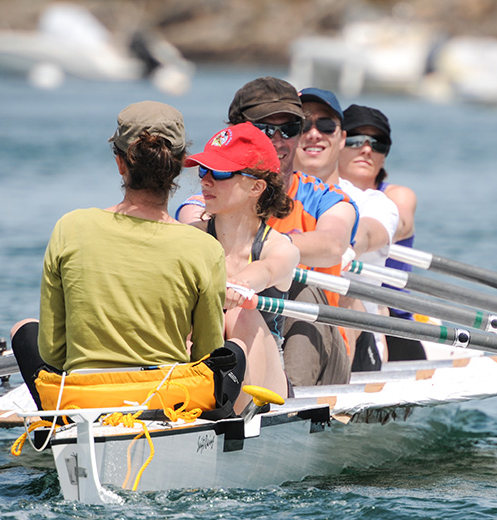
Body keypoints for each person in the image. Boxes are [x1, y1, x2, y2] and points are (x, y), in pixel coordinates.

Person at [11, 101, 245, 415]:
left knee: (24, 329)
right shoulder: (204, 248)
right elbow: (206, 356)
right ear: (180, 165)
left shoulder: (70, 227)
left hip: (81, 399)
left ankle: (55, 424)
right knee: (236, 350)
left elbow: (52, 353)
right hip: (164, 400)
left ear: (121, 164)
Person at [178, 77, 357, 387]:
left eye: (288, 129)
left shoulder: (326, 198)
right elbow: (188, 230)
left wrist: (264, 252)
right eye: (263, 130)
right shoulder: (210, 199)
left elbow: (333, 244)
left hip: (316, 338)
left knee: (300, 291)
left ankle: (291, 401)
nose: (277, 140)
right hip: (229, 337)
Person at [183, 122, 299, 400]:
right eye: (203, 170)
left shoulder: (278, 247)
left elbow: (269, 269)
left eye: (220, 172)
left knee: (240, 312)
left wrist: (241, 285)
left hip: (267, 382)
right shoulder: (189, 238)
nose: (206, 180)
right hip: (201, 372)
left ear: (256, 186)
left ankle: (237, 417)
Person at [295, 89, 401, 370]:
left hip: (354, 341)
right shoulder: (266, 194)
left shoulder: (373, 202)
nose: (314, 134)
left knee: (339, 293)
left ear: (341, 138)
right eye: (303, 124)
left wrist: (346, 245)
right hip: (284, 328)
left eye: (326, 125)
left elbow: (367, 232)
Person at [338, 104, 426, 362]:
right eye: (356, 140)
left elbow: (401, 223)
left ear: (385, 156)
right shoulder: (315, 192)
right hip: (334, 305)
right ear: (337, 143)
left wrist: (374, 230)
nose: (367, 149)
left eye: (378, 144)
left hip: (393, 322)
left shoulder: (397, 196)